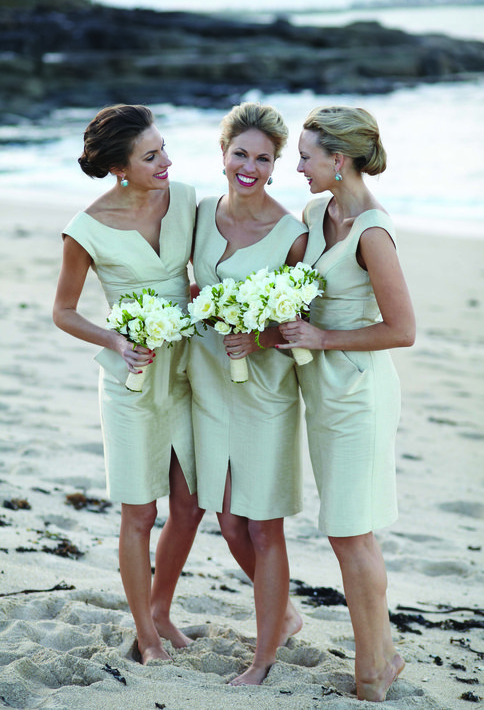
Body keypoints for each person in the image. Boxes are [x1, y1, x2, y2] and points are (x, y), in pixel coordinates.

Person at [52, 104, 204, 664]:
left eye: (163, 147)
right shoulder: (86, 227)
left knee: (190, 506)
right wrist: (114, 340)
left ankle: (162, 609)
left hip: (189, 370)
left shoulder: (186, 198)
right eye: (151, 155)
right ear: (120, 166)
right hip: (130, 380)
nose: (166, 160)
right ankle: (145, 632)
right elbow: (64, 311)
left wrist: (200, 292)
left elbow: (207, 267)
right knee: (140, 512)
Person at [278, 105, 415, 702]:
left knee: (349, 531)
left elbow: (403, 329)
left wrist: (322, 337)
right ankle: (383, 655)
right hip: (321, 391)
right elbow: (290, 285)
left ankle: (372, 672)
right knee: (346, 529)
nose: (297, 164)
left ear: (339, 160)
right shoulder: (316, 211)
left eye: (306, 155)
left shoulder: (372, 232)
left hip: (359, 392)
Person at [187, 102, 307, 685]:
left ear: (276, 164)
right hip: (209, 386)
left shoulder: (291, 235)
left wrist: (256, 338)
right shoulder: (200, 213)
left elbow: (297, 325)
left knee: (263, 526)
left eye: (264, 158)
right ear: (224, 154)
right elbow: (189, 281)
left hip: (264, 394)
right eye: (242, 154)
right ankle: (282, 614)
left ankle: (263, 660)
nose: (250, 167)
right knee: (230, 523)